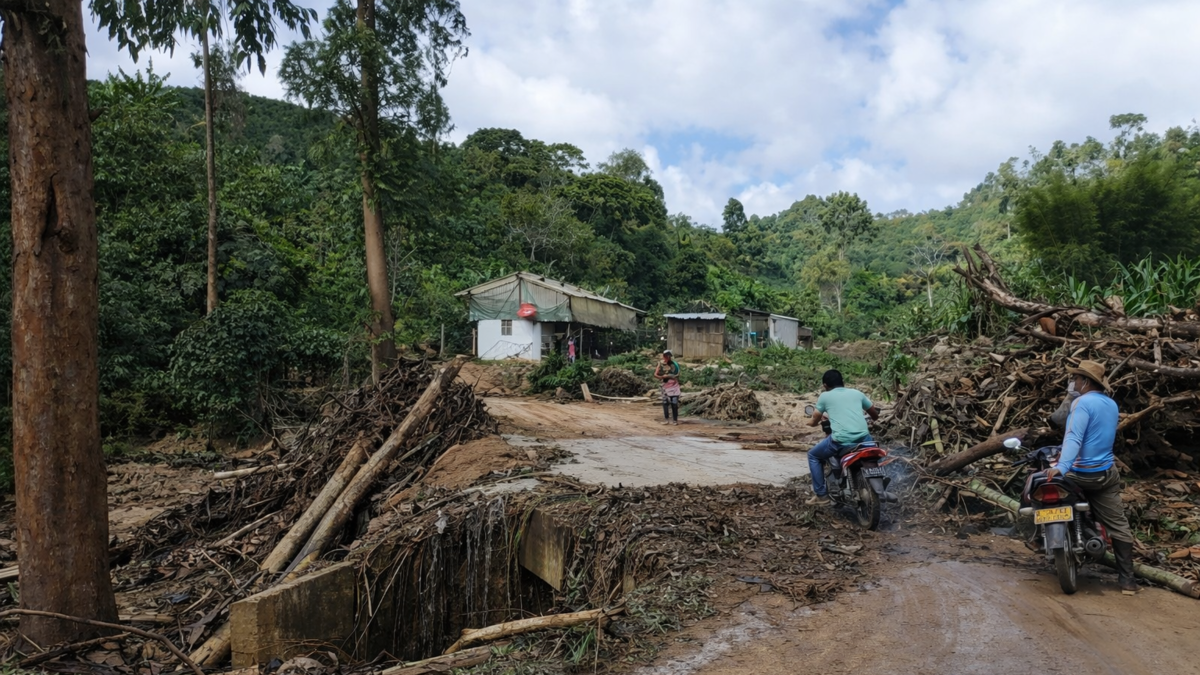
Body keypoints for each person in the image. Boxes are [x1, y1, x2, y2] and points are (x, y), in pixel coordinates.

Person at [1043, 360, 1138, 594]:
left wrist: (1062, 467)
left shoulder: (1081, 403)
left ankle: (1042, 537)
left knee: (1043, 487)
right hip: (1104, 473)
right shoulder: (1111, 404)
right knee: (1118, 524)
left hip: (1079, 474)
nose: (1073, 383)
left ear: (1085, 382)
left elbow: (1074, 437)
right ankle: (1127, 582)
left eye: (1075, 379)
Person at [805, 369, 880, 505]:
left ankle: (821, 496)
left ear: (825, 385)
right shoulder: (857, 393)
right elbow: (874, 415)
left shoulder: (825, 396)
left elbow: (815, 417)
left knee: (813, 455)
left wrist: (811, 423)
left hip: (841, 440)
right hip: (865, 439)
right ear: (843, 382)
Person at [654, 350, 682, 425]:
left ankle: (675, 420)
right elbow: (655, 374)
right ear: (664, 356)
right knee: (665, 402)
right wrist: (662, 377)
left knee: (674, 402)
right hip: (665, 385)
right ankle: (666, 419)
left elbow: (678, 374)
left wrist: (669, 376)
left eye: (669, 356)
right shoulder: (660, 364)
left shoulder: (675, 364)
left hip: (674, 385)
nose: (667, 357)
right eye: (666, 356)